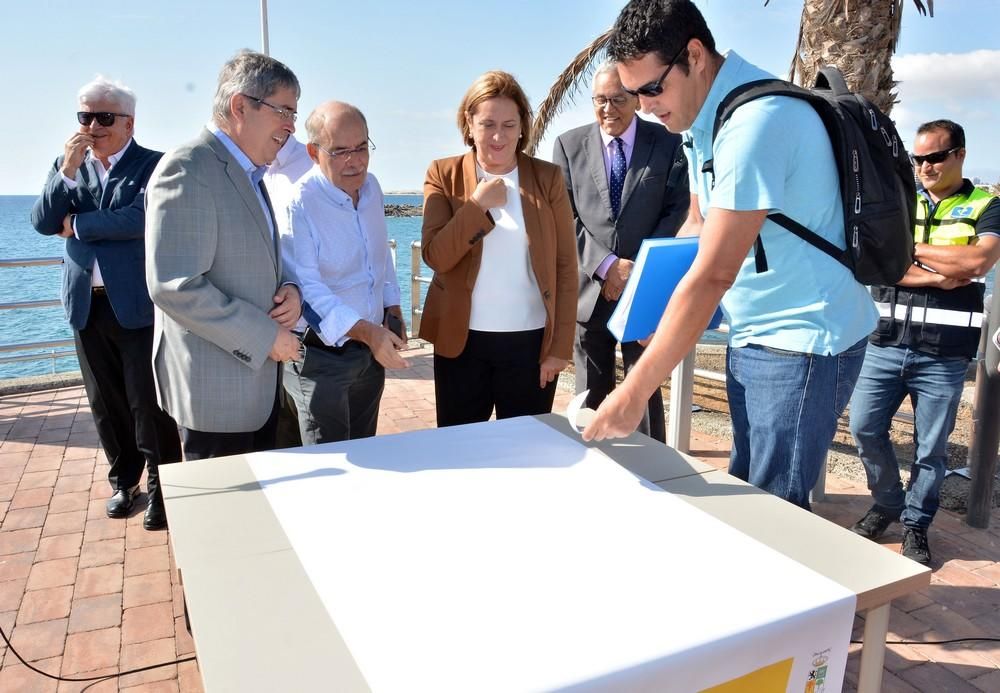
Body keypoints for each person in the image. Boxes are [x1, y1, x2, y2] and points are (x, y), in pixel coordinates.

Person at [581, 0, 878, 512]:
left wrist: (634, 392)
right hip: (756, 331)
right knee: (748, 494)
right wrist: (654, 312)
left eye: (652, 88)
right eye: (633, 93)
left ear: (694, 56)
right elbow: (697, 225)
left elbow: (715, 272)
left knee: (771, 510)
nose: (645, 107)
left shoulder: (754, 124)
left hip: (801, 338)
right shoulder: (705, 120)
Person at [30, 77, 180, 530]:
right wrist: (66, 174)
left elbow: (138, 219)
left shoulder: (154, 165)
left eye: (103, 117)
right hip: (85, 304)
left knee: (146, 401)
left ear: (128, 122)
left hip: (135, 304)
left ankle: (162, 486)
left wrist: (75, 223)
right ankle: (124, 481)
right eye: (84, 116)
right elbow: (41, 221)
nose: (92, 126)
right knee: (105, 402)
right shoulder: (67, 166)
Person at [848, 120, 1000, 564]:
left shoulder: (986, 204)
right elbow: (878, 261)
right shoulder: (901, 197)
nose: (924, 167)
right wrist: (939, 270)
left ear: (960, 155)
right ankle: (888, 501)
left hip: (945, 352)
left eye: (934, 157)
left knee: (931, 449)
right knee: (863, 428)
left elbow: (979, 259)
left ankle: (916, 524)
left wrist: (908, 248)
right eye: (918, 159)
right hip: (884, 342)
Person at [145, 50, 303, 460]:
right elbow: (175, 286)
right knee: (224, 520)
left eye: (294, 114)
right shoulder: (188, 168)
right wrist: (268, 336)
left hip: (257, 388)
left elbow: (257, 256)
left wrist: (288, 287)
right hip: (216, 398)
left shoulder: (251, 174)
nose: (291, 127)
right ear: (240, 106)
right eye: (284, 111)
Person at [419, 70, 577, 426]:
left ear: (523, 126)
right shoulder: (443, 174)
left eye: (509, 124)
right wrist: (477, 206)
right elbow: (436, 256)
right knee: (461, 455)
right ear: (468, 124)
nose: (497, 136)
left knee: (525, 454)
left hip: (530, 346)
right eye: (487, 123)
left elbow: (566, 267)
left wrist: (559, 349)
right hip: (461, 345)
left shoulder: (547, 178)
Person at [553, 62, 688, 443]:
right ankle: (593, 469)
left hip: (643, 289)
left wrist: (636, 269)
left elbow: (676, 211)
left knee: (643, 394)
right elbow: (564, 217)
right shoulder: (567, 145)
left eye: (616, 99)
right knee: (588, 400)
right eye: (600, 100)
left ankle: (654, 473)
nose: (607, 109)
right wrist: (607, 266)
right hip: (589, 293)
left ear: (636, 99)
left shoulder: (667, 142)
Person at [281, 101, 408, 443]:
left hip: (368, 355)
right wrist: (369, 332)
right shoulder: (300, 203)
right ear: (313, 152)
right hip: (321, 359)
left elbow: (381, 258)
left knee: (366, 452)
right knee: (331, 462)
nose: (355, 160)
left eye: (362, 147)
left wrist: (392, 309)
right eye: (340, 151)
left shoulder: (373, 189)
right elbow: (309, 290)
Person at [264, 134, 315, 449]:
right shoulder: (241, 170)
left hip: (300, 331)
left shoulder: (312, 168)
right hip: (252, 327)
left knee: (301, 436)